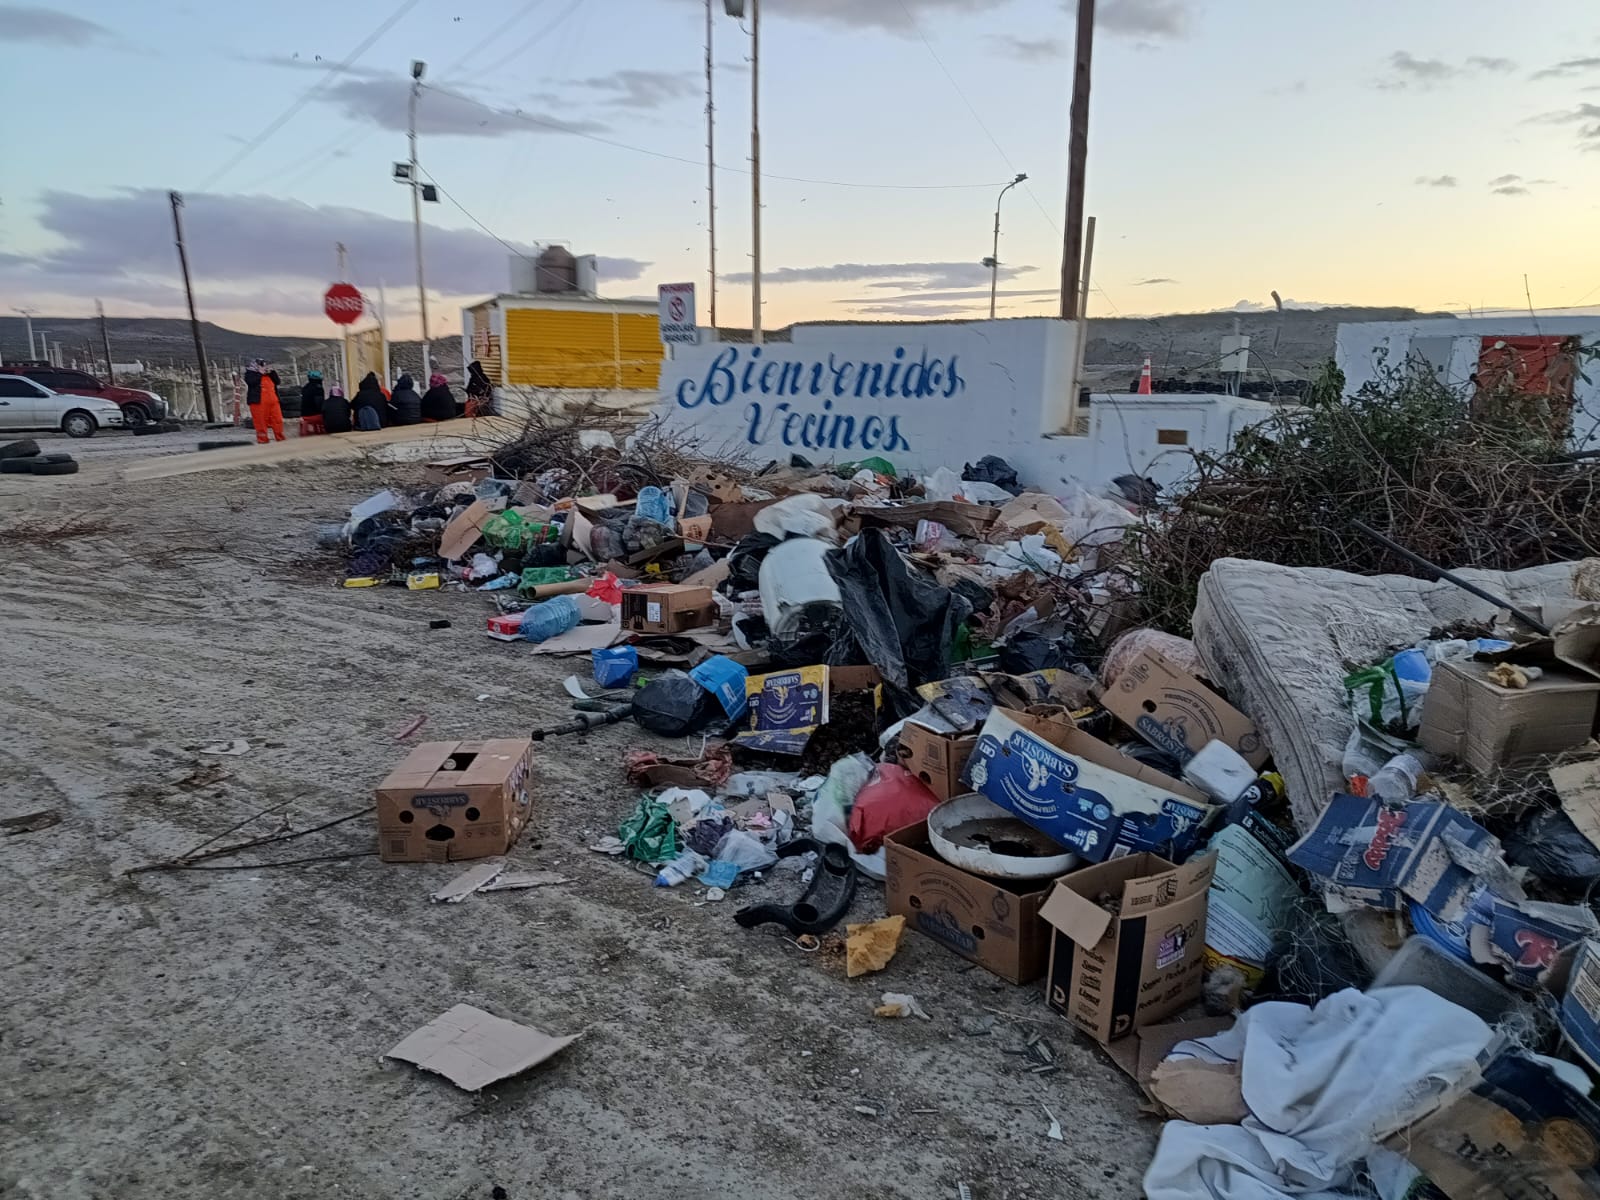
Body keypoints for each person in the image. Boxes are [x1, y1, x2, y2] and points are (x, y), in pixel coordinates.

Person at [246, 359, 285, 444]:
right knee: (261, 422)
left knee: (277, 420)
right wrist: (260, 373)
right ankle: (263, 440)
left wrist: (272, 372)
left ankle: (280, 438)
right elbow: (251, 382)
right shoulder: (250, 373)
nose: (263, 367)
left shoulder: (269, 374)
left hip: (273, 401)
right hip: (258, 402)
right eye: (261, 365)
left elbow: (277, 381)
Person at [298, 370, 326, 436]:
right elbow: (319, 404)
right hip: (315, 415)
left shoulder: (305, 388)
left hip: (304, 414)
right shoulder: (318, 389)